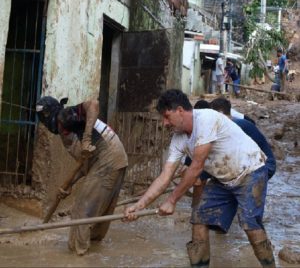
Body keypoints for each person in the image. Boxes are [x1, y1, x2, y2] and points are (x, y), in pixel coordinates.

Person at [124, 89, 275, 268]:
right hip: (223, 179)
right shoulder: (178, 139)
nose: (164, 123)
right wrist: (138, 206)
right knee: (199, 218)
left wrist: (172, 200)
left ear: (180, 110)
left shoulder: (206, 119)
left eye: (166, 117)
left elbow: (196, 168)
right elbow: (165, 176)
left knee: (251, 225)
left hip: (251, 170)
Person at [36, 96, 128, 256]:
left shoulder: (64, 116)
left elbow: (93, 103)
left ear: (48, 115)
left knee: (81, 209)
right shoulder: (70, 126)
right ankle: (94, 249)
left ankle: (77, 256)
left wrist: (86, 139)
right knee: (101, 210)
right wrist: (69, 185)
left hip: (107, 156)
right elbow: (85, 164)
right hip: (116, 157)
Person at [210, 97, 276, 180]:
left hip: (264, 165)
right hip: (256, 163)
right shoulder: (235, 123)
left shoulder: (236, 125)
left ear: (220, 113)